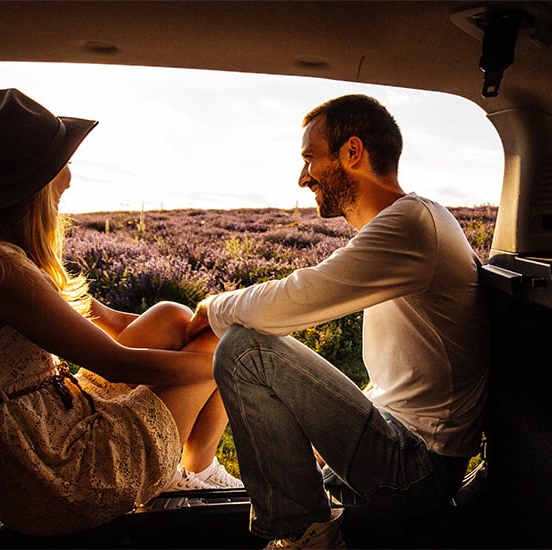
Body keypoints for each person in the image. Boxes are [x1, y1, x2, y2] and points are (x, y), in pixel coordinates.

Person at [0, 88, 241, 536]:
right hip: (64, 479)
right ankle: (193, 471)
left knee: (170, 315)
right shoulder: (1, 272)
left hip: (51, 437)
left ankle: (188, 471)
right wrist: (228, 365)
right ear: (37, 184)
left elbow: (105, 323)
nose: (69, 174)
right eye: (61, 162)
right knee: (222, 346)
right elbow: (115, 362)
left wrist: (179, 333)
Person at [187, 94, 489, 549]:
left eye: (311, 158)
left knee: (244, 351)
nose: (303, 176)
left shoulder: (412, 225)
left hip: (416, 469)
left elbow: (298, 296)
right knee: (252, 348)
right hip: (403, 442)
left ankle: (303, 537)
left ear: (352, 152)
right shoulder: (407, 223)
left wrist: (212, 308)